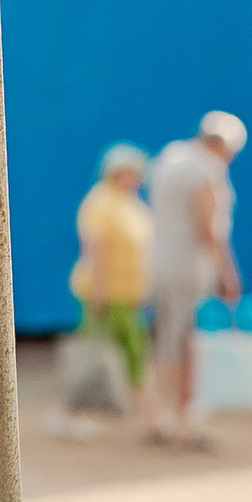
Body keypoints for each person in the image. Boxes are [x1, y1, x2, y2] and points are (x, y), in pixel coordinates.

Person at [147, 110, 246, 449]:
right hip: (190, 270)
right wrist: (228, 273)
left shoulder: (168, 157)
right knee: (186, 344)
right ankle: (182, 422)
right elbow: (209, 228)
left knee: (166, 341)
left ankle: (161, 417)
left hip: (161, 265)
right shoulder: (207, 170)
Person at [66, 143, 152, 420]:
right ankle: (75, 408)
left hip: (128, 294)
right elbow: (96, 250)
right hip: (106, 293)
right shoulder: (100, 202)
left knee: (133, 349)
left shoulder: (132, 204)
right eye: (130, 173)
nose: (137, 178)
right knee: (98, 349)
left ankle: (133, 404)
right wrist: (99, 292)